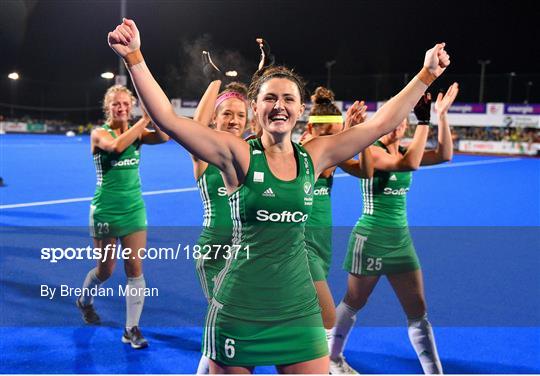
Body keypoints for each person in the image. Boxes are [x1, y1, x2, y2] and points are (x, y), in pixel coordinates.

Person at [107, 18, 450, 373]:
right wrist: (134, 57)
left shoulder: (315, 155)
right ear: (256, 108)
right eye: (270, 98)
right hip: (239, 308)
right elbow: (169, 120)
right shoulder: (237, 154)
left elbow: (379, 124)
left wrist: (425, 75)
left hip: (298, 307)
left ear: (300, 110)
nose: (280, 105)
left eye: (289, 98)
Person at [328, 83, 459, 374]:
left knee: (418, 311)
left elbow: (445, 154)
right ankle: (332, 357)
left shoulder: (402, 151)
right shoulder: (373, 152)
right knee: (353, 302)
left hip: (400, 240)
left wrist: (441, 114)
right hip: (371, 237)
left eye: (402, 121)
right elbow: (409, 163)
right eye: (392, 121)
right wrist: (424, 121)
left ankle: (434, 371)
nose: (396, 126)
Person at [76, 85, 169, 349]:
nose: (122, 108)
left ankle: (131, 329)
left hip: (134, 209)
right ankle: (84, 301)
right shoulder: (99, 134)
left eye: (127, 103)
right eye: (117, 104)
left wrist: (155, 115)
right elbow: (116, 147)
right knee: (105, 270)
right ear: (108, 107)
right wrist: (144, 120)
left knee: (135, 268)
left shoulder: (138, 134)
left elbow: (163, 138)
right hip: (105, 209)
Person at [191, 52, 250, 374]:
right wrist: (215, 81)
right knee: (227, 323)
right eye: (227, 114)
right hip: (214, 252)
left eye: (240, 115)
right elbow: (196, 125)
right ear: (216, 119)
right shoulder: (204, 155)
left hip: (246, 253)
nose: (233, 120)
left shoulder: (251, 153)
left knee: (229, 328)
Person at [300, 87, 373, 331]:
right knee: (326, 321)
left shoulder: (333, 154)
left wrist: (359, 137)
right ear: (310, 129)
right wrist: (347, 135)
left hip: (322, 245)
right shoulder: (297, 153)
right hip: (298, 245)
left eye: (337, 135)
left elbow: (366, 172)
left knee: (304, 320)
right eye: (328, 134)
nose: (334, 141)